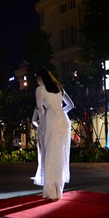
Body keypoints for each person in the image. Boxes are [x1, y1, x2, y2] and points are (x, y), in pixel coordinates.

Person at [34, 68, 75, 201]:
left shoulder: (40, 89)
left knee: (51, 154)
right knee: (60, 155)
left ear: (41, 78)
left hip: (51, 120)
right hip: (64, 120)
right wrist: (60, 112)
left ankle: (51, 192)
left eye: (38, 78)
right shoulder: (58, 87)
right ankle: (58, 190)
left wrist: (44, 120)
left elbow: (40, 108)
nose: (38, 81)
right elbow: (70, 105)